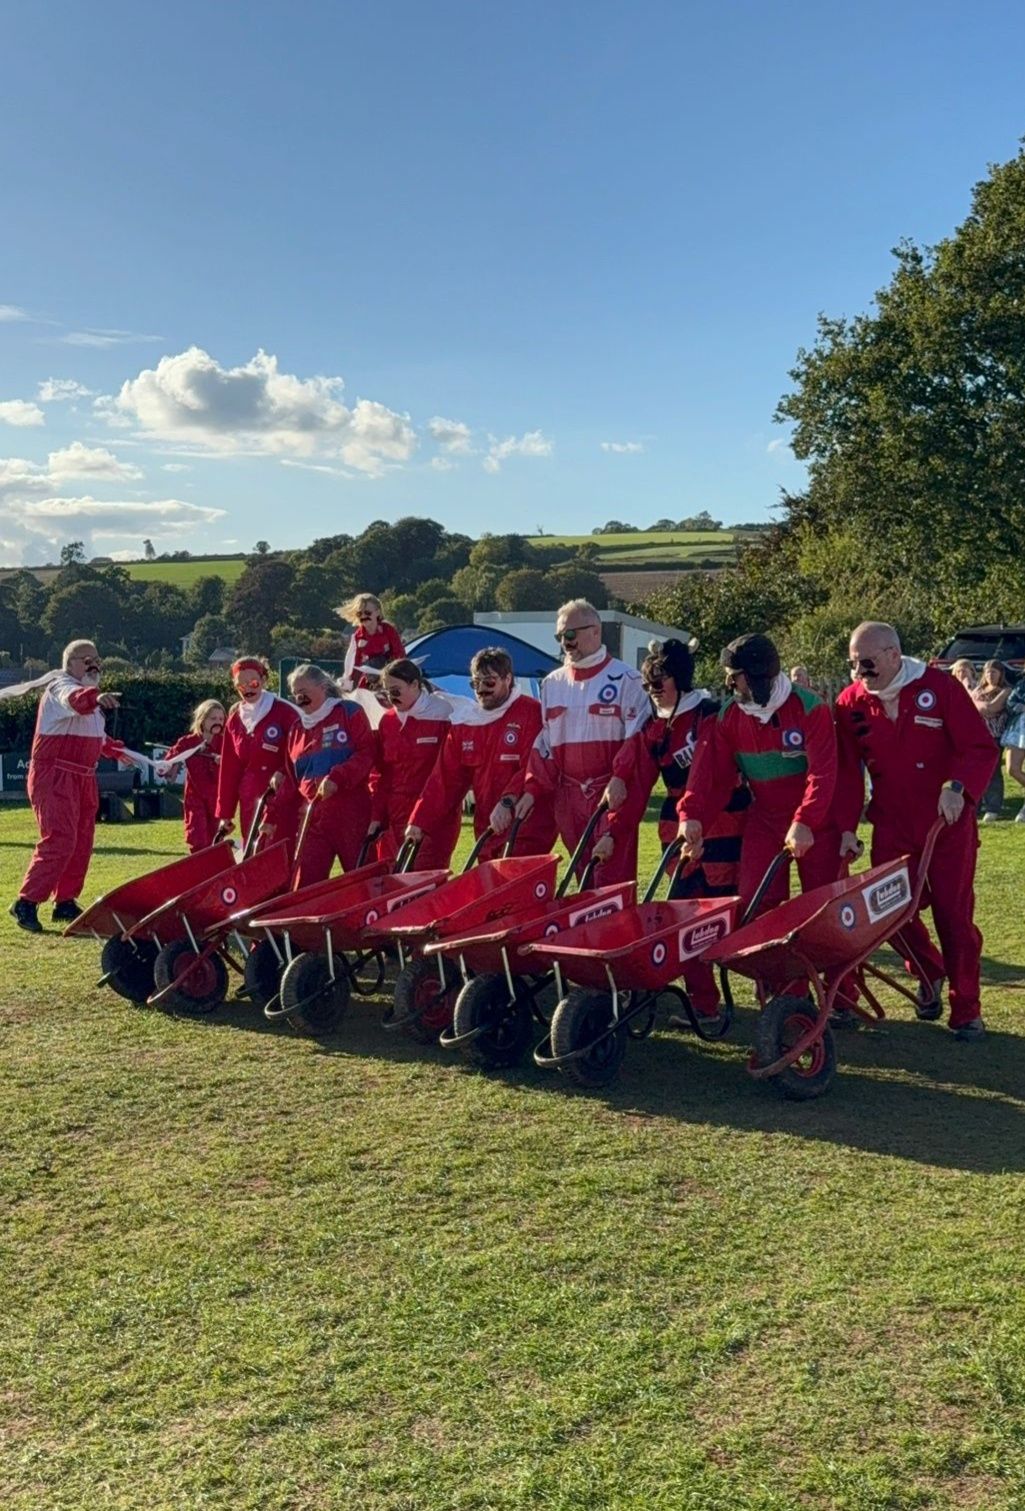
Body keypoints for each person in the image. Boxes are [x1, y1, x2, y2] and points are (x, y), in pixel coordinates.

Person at [834, 620, 997, 1040]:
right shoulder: (850, 703)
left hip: (945, 823)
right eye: (853, 663)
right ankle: (929, 970)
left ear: (892, 655)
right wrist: (847, 827)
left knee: (953, 916)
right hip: (890, 823)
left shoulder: (939, 689)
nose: (859, 671)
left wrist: (958, 788)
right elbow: (849, 774)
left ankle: (967, 1009)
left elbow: (979, 747)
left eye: (866, 662)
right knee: (887, 911)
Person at [602, 638, 750, 1025]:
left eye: (662, 679)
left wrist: (695, 817)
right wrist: (612, 830)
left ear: (680, 678)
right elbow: (635, 783)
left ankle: (766, 998)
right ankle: (701, 1003)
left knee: (725, 919)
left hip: (722, 827)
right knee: (679, 918)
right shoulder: (654, 728)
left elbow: (709, 774)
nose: (655, 687)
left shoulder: (711, 716)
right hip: (678, 832)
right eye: (651, 680)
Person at [678, 633, 839, 911]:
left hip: (817, 821)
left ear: (756, 675)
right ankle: (764, 956)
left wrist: (805, 821)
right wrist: (694, 818)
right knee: (754, 900)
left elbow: (822, 774)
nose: (729, 684)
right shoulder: (728, 717)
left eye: (735, 676)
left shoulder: (810, 708)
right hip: (764, 818)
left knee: (824, 903)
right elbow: (715, 778)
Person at [516, 599, 649, 883]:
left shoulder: (627, 679)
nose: (566, 642)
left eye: (571, 634)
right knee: (583, 877)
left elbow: (636, 738)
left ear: (595, 632)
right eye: (560, 636)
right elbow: (546, 744)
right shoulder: (552, 683)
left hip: (610, 791)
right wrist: (531, 789)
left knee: (610, 875)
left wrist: (621, 777)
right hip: (569, 796)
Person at [9, 640, 126, 932]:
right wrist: (95, 698)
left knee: (82, 841)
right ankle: (26, 901)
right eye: (87, 660)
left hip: (83, 776)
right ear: (69, 664)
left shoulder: (91, 701)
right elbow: (74, 700)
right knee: (60, 838)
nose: (95, 665)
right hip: (55, 774)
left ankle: (65, 901)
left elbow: (96, 738)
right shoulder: (61, 686)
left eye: (97, 659)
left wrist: (117, 751)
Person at [406, 648, 556, 860]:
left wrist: (507, 801)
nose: (481, 690)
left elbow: (534, 765)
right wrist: (419, 820)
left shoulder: (530, 713)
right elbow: (444, 780)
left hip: (526, 825)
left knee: (516, 887)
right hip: (488, 827)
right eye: (475, 683)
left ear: (508, 679)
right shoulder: (466, 722)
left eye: (489, 682)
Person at [270, 664, 377, 886]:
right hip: (312, 816)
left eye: (304, 691)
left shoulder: (348, 712)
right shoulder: (297, 729)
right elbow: (293, 778)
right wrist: (271, 815)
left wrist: (338, 778)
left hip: (350, 812)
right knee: (306, 879)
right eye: (295, 693)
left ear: (323, 686)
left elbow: (367, 753)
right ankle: (305, 920)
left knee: (361, 877)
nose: (299, 697)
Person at [368, 659, 460, 869]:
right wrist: (376, 816)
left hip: (436, 814)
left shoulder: (444, 713)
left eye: (396, 690)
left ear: (415, 685)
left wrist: (424, 816)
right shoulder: (388, 721)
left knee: (424, 877)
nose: (392, 697)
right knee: (390, 878)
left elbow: (449, 774)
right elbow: (382, 774)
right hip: (396, 813)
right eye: (387, 692)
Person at [215, 657, 300, 848]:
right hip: (250, 799)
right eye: (240, 685)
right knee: (252, 853)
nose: (248, 689)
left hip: (281, 796)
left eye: (253, 682)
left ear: (264, 680)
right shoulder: (235, 720)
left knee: (280, 851)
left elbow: (299, 754)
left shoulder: (285, 712)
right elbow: (229, 770)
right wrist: (225, 813)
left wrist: (283, 773)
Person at [156, 699, 226, 852]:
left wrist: (226, 762)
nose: (218, 722)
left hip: (218, 799)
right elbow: (169, 763)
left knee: (217, 839)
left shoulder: (226, 742)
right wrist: (165, 768)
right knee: (198, 838)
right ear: (202, 719)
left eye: (221, 719)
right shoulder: (188, 742)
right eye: (213, 719)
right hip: (195, 798)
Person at [970, 660, 1011, 823]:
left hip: (994, 735)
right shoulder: (979, 689)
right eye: (987, 672)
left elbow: (992, 708)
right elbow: (970, 705)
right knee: (975, 771)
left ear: (1001, 674)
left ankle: (993, 807)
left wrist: (978, 704)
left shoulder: (1005, 690)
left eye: (994, 672)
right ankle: (976, 805)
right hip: (976, 735)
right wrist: (981, 705)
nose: (990, 675)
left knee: (992, 771)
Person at [340, 593, 405, 691]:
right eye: (359, 614)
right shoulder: (358, 636)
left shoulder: (388, 630)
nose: (363, 616)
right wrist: (351, 685)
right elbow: (355, 663)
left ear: (377, 612)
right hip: (369, 677)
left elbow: (399, 654)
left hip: (391, 673)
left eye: (367, 613)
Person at [1000, 673, 1025, 821]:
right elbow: (1010, 703)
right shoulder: (1022, 684)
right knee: (1012, 769)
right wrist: (1017, 706)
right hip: (1019, 728)